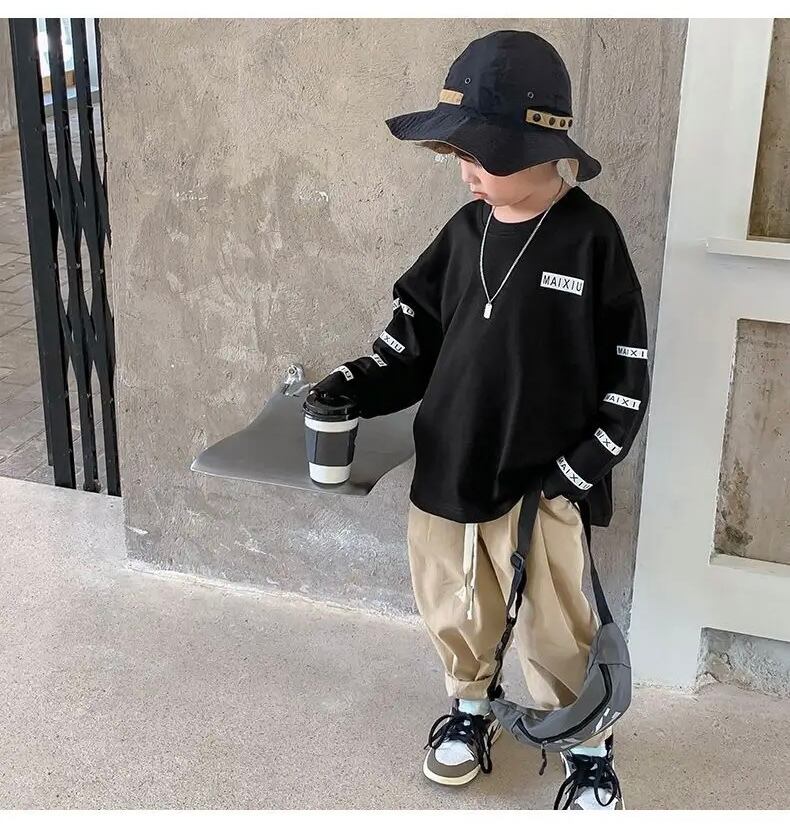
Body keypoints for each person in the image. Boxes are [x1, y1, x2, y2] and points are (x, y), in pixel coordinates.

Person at [310, 29, 649, 810]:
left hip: (544, 482)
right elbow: (408, 345)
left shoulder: (592, 239)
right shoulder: (465, 234)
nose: (465, 173)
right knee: (454, 602)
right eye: (457, 155)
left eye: (478, 155)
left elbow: (628, 376)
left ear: (536, 148)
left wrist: (579, 471)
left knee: (558, 623)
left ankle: (586, 745)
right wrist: (351, 386)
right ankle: (472, 707)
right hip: (450, 464)